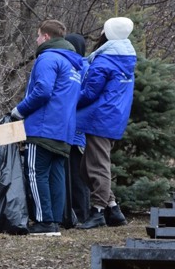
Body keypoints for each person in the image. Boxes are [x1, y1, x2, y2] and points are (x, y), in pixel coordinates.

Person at [9, 20, 84, 237]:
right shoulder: (73, 64)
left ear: (47, 37)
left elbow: (42, 91)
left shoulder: (47, 58)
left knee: (35, 172)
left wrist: (19, 111)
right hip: (65, 130)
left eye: (38, 35)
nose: (36, 39)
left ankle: (44, 221)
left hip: (43, 128)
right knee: (56, 174)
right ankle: (54, 221)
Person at [74, 16, 136, 229]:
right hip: (114, 117)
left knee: (98, 166)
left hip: (100, 117)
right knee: (85, 169)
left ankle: (98, 211)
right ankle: (113, 207)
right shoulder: (125, 58)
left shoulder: (105, 60)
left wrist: (69, 101)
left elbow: (90, 92)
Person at [63, 33, 91, 227]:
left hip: (76, 130)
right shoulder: (82, 66)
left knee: (77, 174)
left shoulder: (81, 67)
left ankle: (81, 214)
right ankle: (77, 213)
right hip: (73, 129)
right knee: (75, 174)